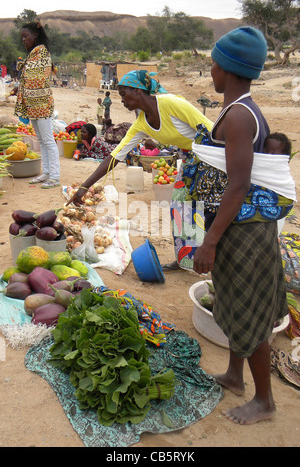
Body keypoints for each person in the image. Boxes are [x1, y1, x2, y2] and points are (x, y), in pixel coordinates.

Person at [192, 27, 294, 425]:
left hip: (244, 231)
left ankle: (265, 401)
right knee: (235, 301)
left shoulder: (237, 116)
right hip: (243, 227)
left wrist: (209, 243)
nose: (211, 70)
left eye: (214, 64)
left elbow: (237, 186)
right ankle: (235, 376)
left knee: (249, 313)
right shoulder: (241, 109)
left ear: (229, 70)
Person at [66, 69, 213, 207]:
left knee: (204, 210)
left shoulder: (170, 103)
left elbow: (213, 132)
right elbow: (115, 157)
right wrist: (84, 187)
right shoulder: (141, 123)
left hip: (213, 155)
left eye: (123, 94)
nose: (122, 100)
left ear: (137, 90)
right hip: (191, 160)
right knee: (182, 211)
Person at [14, 21, 60, 188]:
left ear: (35, 35)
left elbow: (37, 79)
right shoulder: (33, 54)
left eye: (26, 36)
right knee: (41, 139)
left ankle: (55, 176)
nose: (23, 40)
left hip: (42, 104)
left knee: (48, 141)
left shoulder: (42, 54)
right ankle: (46, 172)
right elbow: (28, 78)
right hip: (33, 105)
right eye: (22, 37)